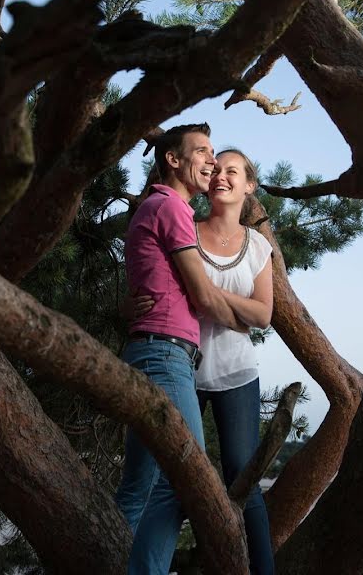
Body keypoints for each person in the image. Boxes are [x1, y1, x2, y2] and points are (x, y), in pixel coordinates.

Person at [130, 148, 275, 574]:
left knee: (242, 480)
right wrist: (236, 311)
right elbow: (157, 288)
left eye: (234, 171)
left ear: (249, 185)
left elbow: (264, 315)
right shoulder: (184, 228)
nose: (221, 176)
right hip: (182, 369)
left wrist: (211, 299)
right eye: (218, 169)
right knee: (172, 477)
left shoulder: (258, 247)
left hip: (237, 375)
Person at [116, 123, 246, 575]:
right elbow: (206, 297)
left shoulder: (156, 206)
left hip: (150, 352)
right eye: (203, 152)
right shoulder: (171, 207)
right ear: (172, 159)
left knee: (139, 487)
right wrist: (252, 321)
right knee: (185, 481)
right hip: (164, 356)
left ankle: (105, 559)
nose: (212, 161)